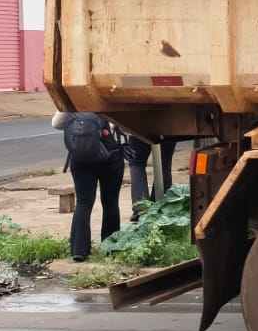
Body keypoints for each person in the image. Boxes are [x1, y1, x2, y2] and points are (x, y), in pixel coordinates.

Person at [53, 111, 125, 261]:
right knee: (110, 202)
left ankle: (79, 250)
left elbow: (57, 124)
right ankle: (110, 247)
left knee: (83, 203)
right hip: (110, 157)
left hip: (81, 158)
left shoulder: (70, 99)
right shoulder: (106, 98)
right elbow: (125, 127)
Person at [125, 135, 177, 214]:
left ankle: (141, 208)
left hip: (138, 127)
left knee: (137, 164)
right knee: (165, 165)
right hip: (168, 129)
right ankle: (161, 207)